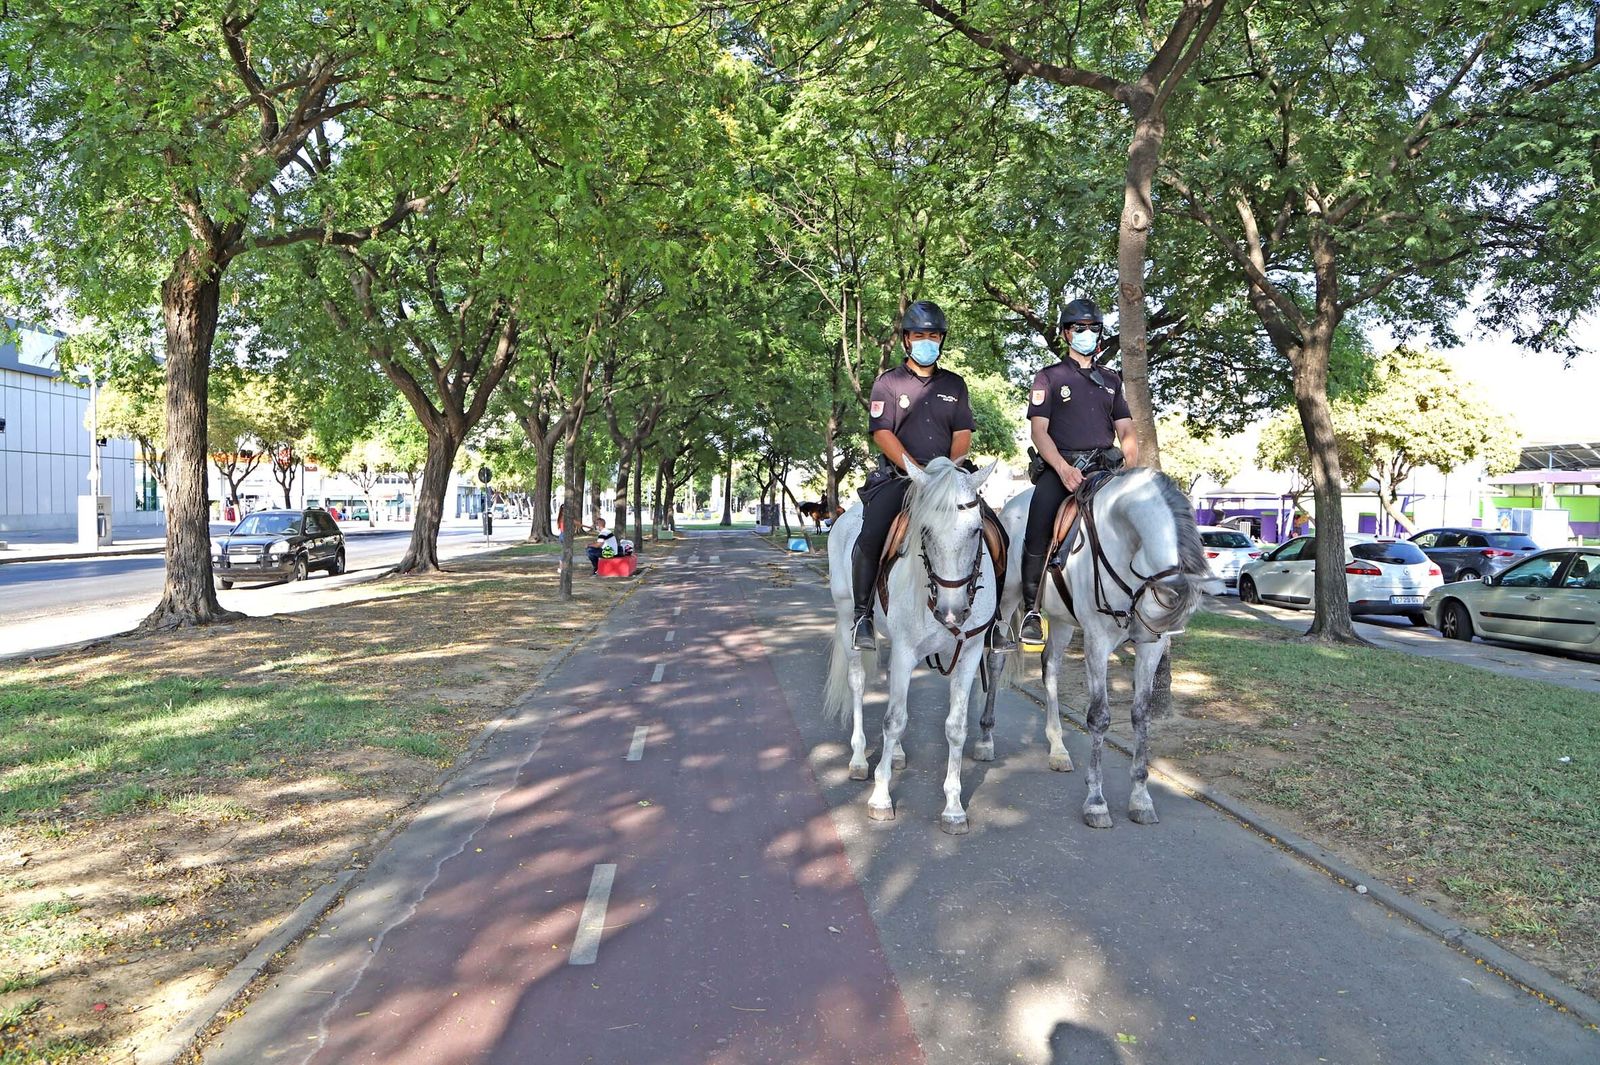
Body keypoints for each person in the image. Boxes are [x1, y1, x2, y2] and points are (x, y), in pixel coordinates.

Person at [851, 300, 1012, 652]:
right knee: (872, 533)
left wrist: (945, 472)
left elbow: (962, 435)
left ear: (942, 339)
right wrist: (917, 470)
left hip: (949, 478)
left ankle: (996, 620)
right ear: (906, 340)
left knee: (995, 533)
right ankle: (862, 616)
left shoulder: (955, 384)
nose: (927, 341)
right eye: (920, 335)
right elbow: (882, 433)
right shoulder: (888, 383)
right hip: (901, 478)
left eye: (934, 335)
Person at [1017, 298, 1140, 644]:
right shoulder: (1048, 378)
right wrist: (1062, 468)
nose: (1086, 334)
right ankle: (1031, 609)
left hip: (1105, 470)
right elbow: (1039, 431)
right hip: (1060, 469)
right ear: (1066, 334)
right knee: (1039, 523)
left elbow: (1127, 431)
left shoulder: (1112, 380)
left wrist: (1130, 468)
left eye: (1093, 328)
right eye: (1079, 328)